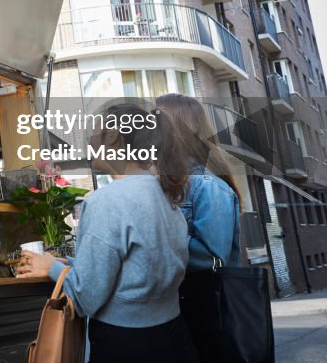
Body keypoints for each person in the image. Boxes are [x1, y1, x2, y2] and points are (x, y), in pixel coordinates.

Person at [17, 102, 197, 363]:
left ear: (112, 137)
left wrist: (52, 269)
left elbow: (85, 298)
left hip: (127, 345)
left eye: (93, 130)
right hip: (174, 335)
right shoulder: (166, 195)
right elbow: (135, 267)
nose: (89, 139)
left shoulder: (107, 201)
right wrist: (70, 264)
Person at [155, 93, 242, 272]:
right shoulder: (163, 182)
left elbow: (211, 258)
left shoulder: (208, 186)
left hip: (202, 297)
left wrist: (152, 244)